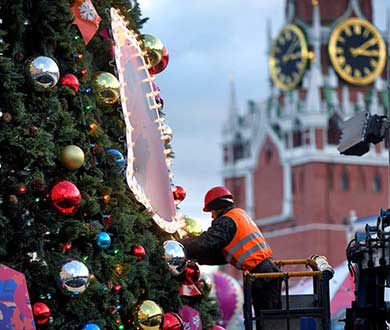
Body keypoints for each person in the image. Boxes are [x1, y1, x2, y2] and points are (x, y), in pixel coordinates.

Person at [180, 186, 281, 326]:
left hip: (261, 275)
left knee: (266, 322)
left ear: (217, 207)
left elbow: (206, 242)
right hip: (268, 272)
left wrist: (181, 245)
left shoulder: (227, 221)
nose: (211, 215)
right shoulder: (240, 215)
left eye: (212, 211)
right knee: (266, 320)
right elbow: (222, 255)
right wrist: (199, 258)